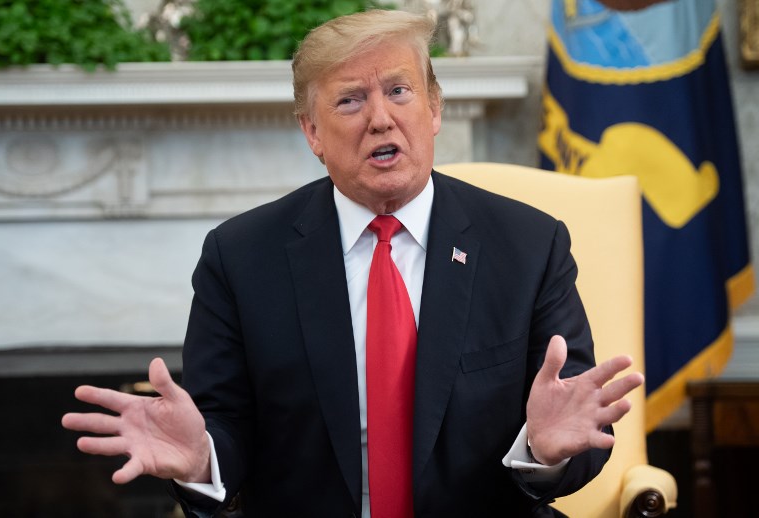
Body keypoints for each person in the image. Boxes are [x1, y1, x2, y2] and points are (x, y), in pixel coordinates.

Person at [62, 9, 644, 518]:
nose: (381, 118)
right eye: (350, 100)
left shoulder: (529, 244)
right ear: (311, 132)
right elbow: (223, 423)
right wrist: (202, 459)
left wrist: (542, 450)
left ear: (435, 108)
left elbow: (577, 425)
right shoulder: (240, 257)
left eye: (399, 90)